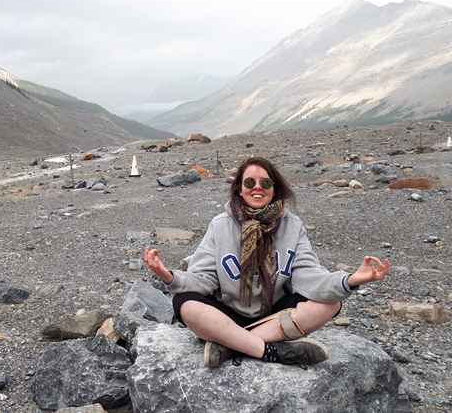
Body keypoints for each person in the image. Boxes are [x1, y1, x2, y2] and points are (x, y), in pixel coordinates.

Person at [144, 156, 390, 368]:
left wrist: (350, 280)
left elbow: (308, 275)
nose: (257, 188)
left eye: (265, 183)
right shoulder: (220, 225)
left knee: (331, 303)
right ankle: (270, 351)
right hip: (229, 313)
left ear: (274, 188)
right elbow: (204, 278)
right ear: (239, 189)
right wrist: (169, 276)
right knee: (185, 303)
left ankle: (231, 344)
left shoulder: (292, 226)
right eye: (249, 182)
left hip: (273, 314)